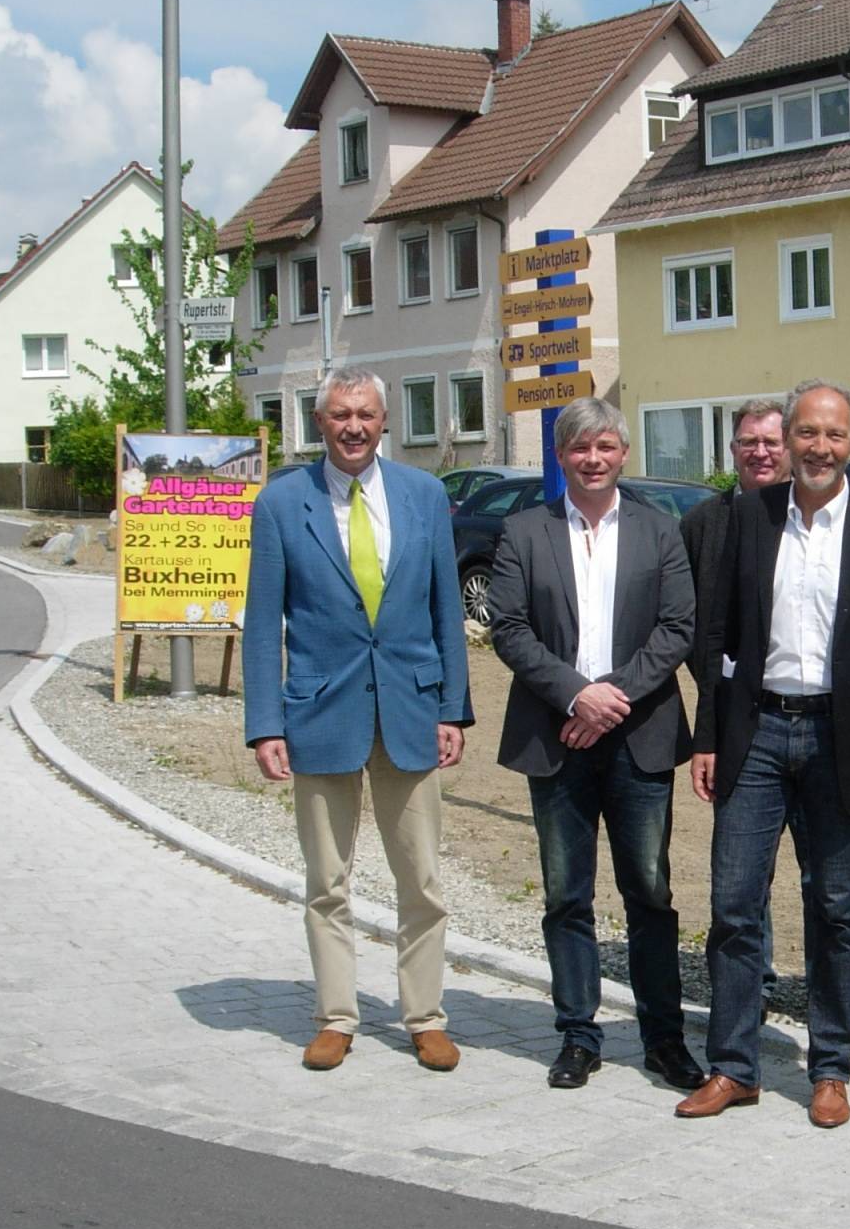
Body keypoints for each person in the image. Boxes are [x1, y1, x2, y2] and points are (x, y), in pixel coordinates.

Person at [677, 380, 850, 1129]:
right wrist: (709, 737)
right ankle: (734, 1066)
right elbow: (716, 639)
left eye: (835, 435)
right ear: (786, 439)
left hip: (841, 742)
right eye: (807, 434)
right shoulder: (748, 519)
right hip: (754, 735)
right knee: (732, 905)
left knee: (837, 906)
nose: (820, 448)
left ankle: (830, 1069)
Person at [243, 366, 472, 1073]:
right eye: (341, 415)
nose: (354, 427)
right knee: (327, 881)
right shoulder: (283, 504)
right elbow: (261, 625)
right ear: (320, 423)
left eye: (366, 415)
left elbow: (445, 611)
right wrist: (265, 723)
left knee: (423, 881)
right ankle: (336, 1017)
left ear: (384, 422)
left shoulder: (424, 496)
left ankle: (424, 1015)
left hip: (410, 709)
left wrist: (452, 709)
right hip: (319, 714)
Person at [488, 399, 704, 1093]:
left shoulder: (658, 530)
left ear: (624, 453)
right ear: (562, 455)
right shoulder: (524, 531)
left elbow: (677, 627)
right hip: (557, 736)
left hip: (638, 736)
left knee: (649, 889)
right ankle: (578, 1035)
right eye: (580, 447)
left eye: (606, 446)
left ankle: (664, 1040)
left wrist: (610, 696)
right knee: (565, 895)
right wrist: (576, 695)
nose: (593, 458)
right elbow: (510, 628)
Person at [679, 398, 791, 1010]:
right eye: (749, 442)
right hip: (727, 711)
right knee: (741, 864)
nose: (761, 452)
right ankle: (754, 978)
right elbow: (693, 626)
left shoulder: (810, 517)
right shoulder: (702, 524)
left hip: (804, 710)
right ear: (733, 452)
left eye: (772, 441)